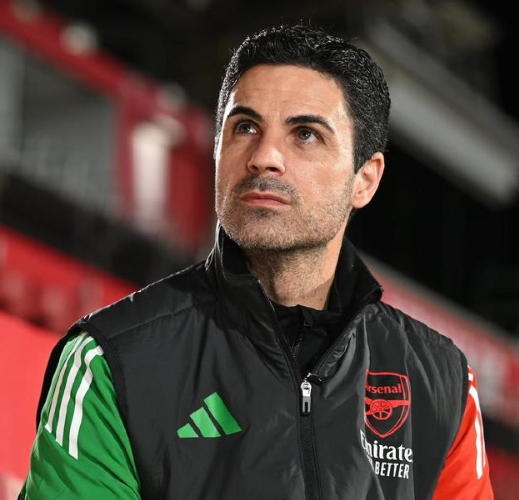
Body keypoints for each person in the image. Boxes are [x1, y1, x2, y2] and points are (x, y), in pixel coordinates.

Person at [20, 24, 493, 499]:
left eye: (305, 135)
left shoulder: (441, 380)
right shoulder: (111, 360)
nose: (264, 157)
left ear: (364, 180)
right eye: (245, 127)